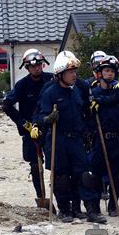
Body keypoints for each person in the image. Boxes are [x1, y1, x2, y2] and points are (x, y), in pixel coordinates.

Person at [32, 50, 105, 224]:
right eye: (71, 72)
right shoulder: (50, 92)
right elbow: (40, 116)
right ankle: (64, 210)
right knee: (62, 177)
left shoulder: (77, 91)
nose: (74, 75)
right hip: (58, 139)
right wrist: (48, 119)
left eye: (75, 72)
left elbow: (84, 112)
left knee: (84, 176)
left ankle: (89, 210)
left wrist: (92, 113)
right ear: (60, 74)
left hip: (76, 139)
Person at [2, 49, 53, 209]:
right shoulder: (22, 85)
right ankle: (41, 196)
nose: (36, 68)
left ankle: (62, 198)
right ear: (27, 68)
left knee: (57, 164)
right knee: (35, 166)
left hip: (51, 127)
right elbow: (6, 105)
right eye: (32, 66)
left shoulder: (51, 79)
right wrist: (23, 123)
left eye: (39, 65)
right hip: (30, 130)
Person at [89, 54, 119, 217]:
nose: (110, 74)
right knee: (96, 174)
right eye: (106, 70)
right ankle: (95, 206)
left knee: (118, 175)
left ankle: (114, 204)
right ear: (100, 73)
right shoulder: (93, 91)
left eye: (112, 71)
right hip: (100, 137)